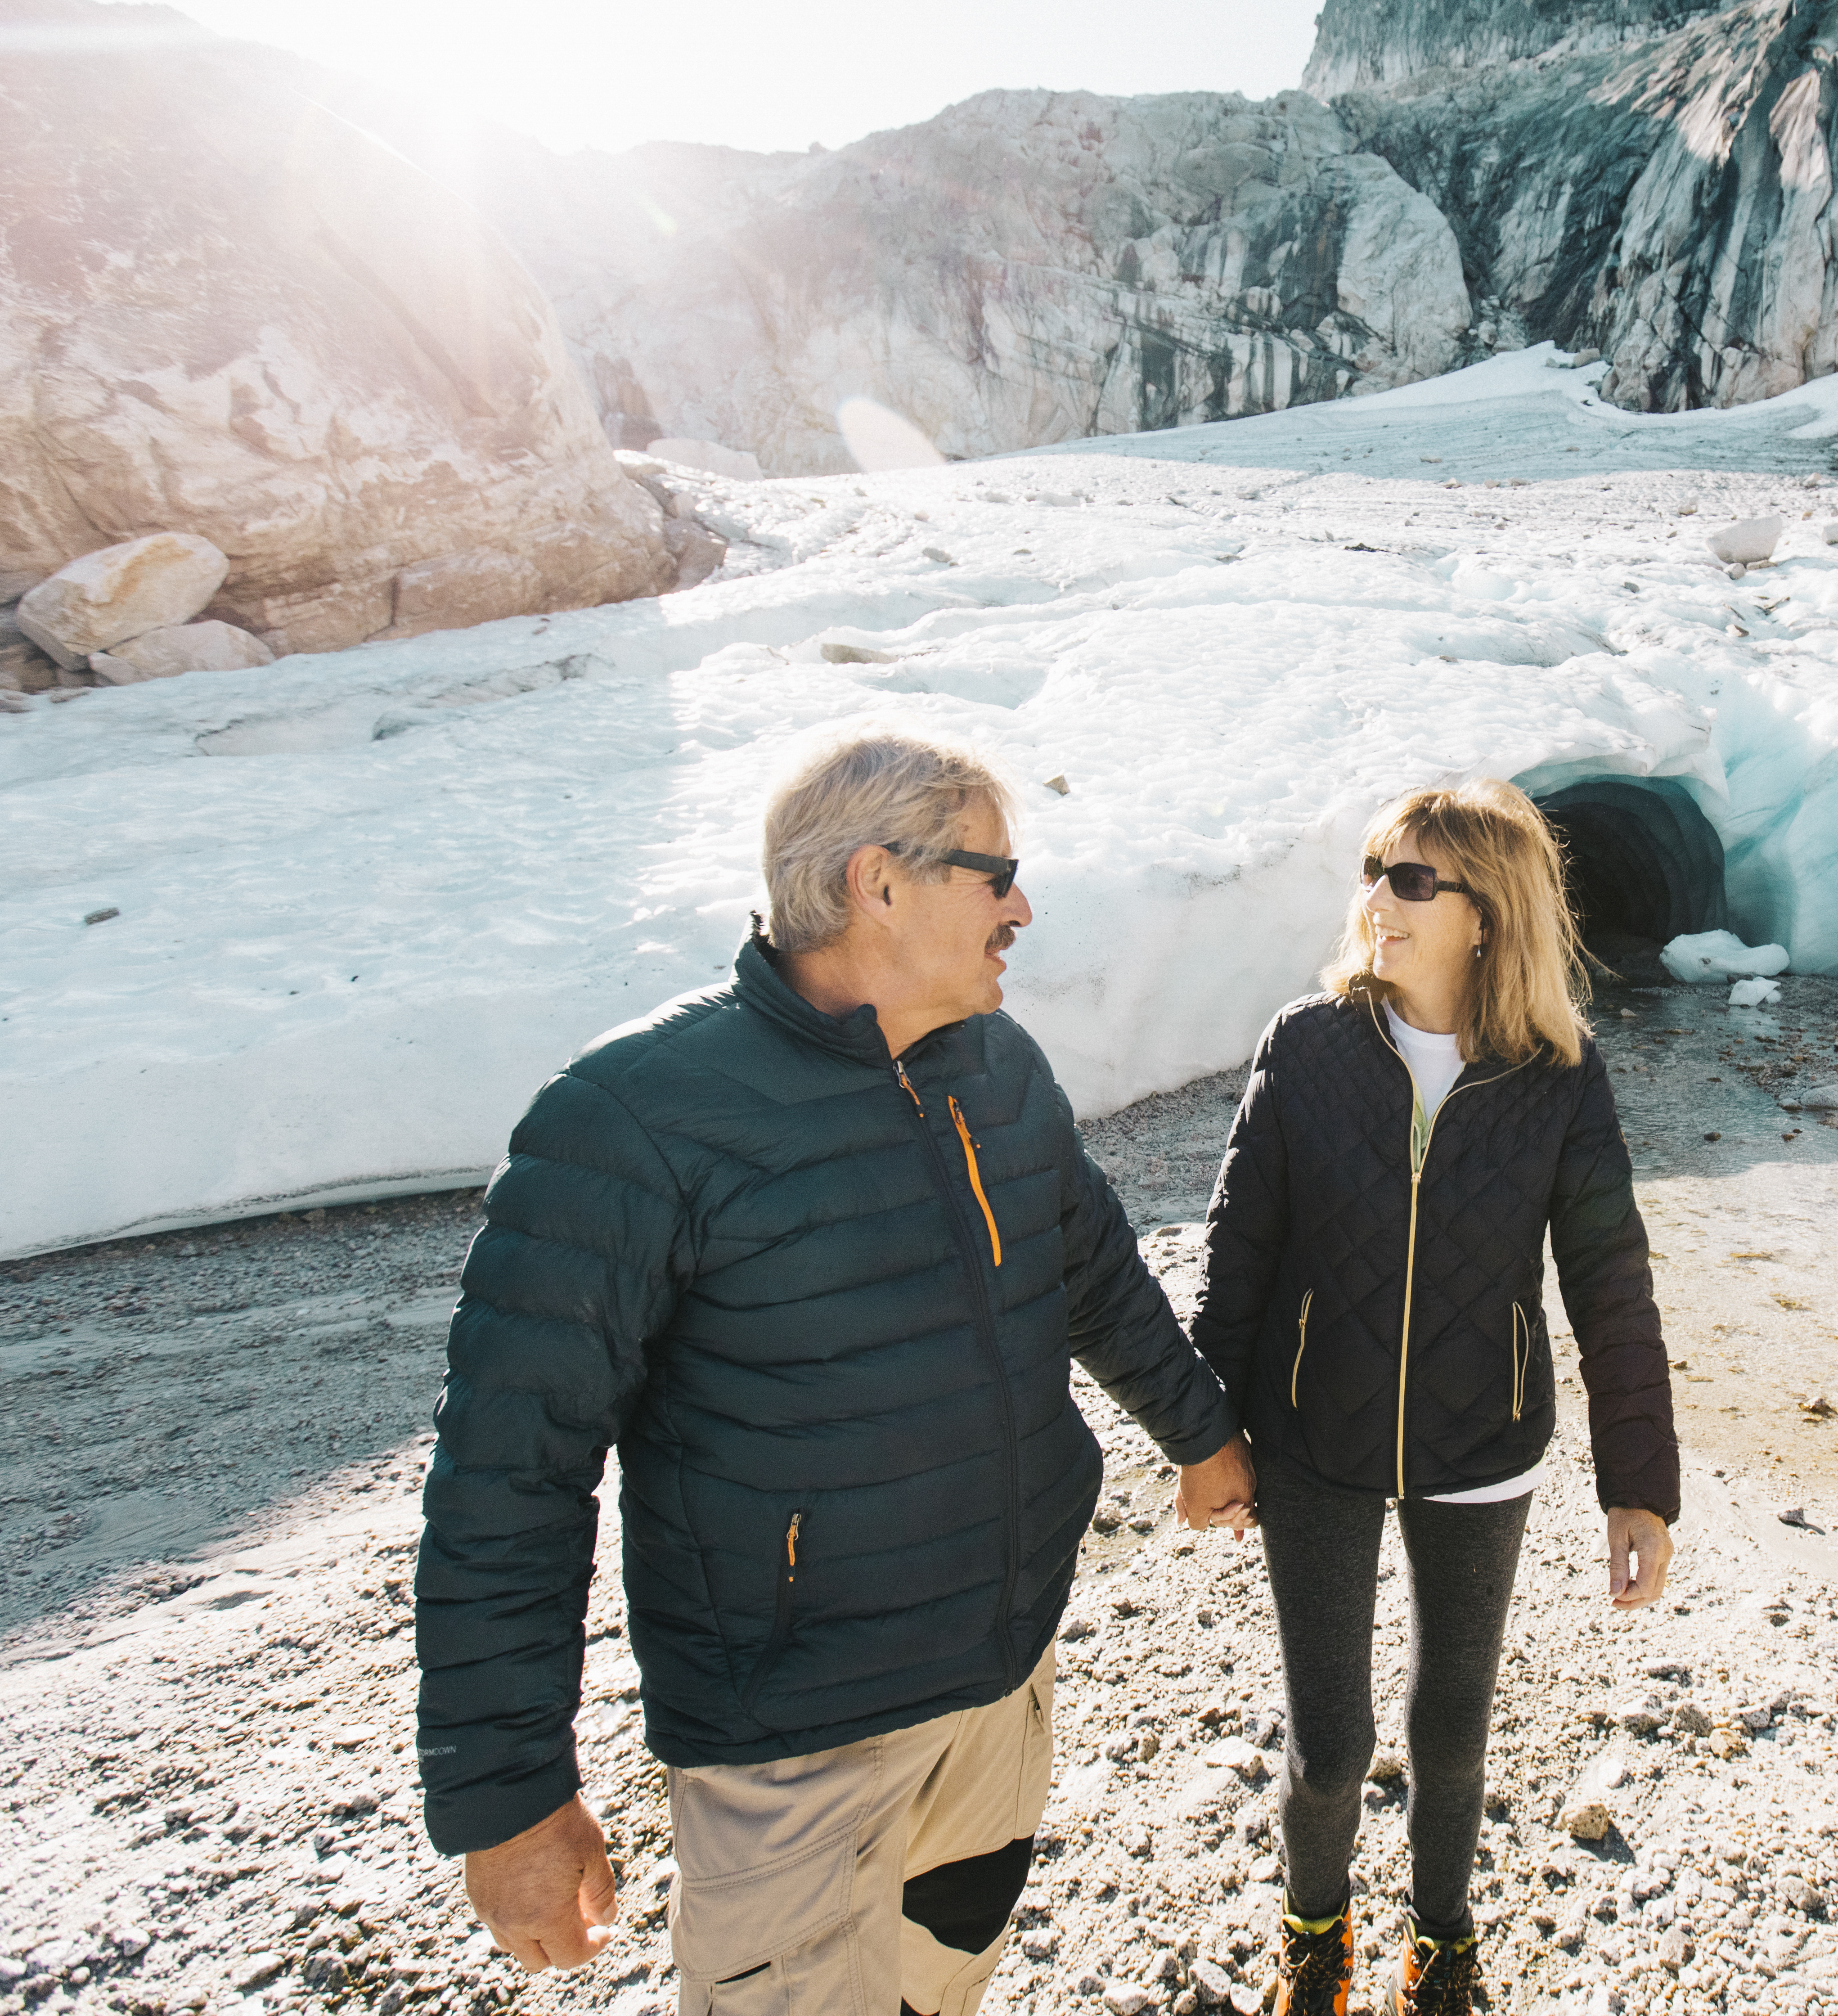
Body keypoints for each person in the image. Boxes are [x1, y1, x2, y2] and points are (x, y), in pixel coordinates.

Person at [414, 729, 1258, 2016]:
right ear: (878, 883)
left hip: (1001, 1681)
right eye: (996, 875)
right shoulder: (633, 1120)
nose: (1022, 908)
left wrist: (1201, 1438)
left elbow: (1089, 1273)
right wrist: (508, 1795)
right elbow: (508, 1477)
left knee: (940, 1983)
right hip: (800, 1739)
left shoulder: (995, 1064)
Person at [1189, 778, 1681, 2016]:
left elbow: (1610, 1286)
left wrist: (1640, 1489)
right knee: (1332, 1742)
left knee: (1453, 1728)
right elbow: (1237, 1252)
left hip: (1484, 1446)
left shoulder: (1559, 1077)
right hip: (1313, 1440)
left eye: (1412, 879)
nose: (1378, 901)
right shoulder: (1305, 1048)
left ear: (1485, 911)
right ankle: (1316, 1934)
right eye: (1373, 870)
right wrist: (1209, 1436)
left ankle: (1445, 1947)